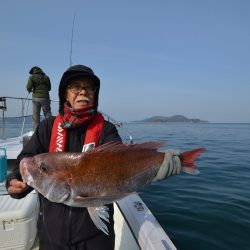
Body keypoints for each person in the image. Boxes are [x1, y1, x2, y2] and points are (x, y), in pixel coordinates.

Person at [6, 64, 122, 250]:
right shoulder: (47, 127)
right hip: (52, 234)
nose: (82, 92)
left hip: (96, 237)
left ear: (95, 94)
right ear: (65, 94)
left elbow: (120, 165)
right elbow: (26, 160)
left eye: (89, 87)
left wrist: (159, 167)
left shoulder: (107, 130)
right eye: (75, 87)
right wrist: (15, 180)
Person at [26, 66, 52, 130]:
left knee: (36, 116)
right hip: (45, 98)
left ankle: (36, 131)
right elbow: (49, 88)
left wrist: (30, 90)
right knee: (47, 114)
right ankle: (50, 129)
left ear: (33, 72)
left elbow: (28, 87)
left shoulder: (32, 77)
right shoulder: (46, 77)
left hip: (36, 98)